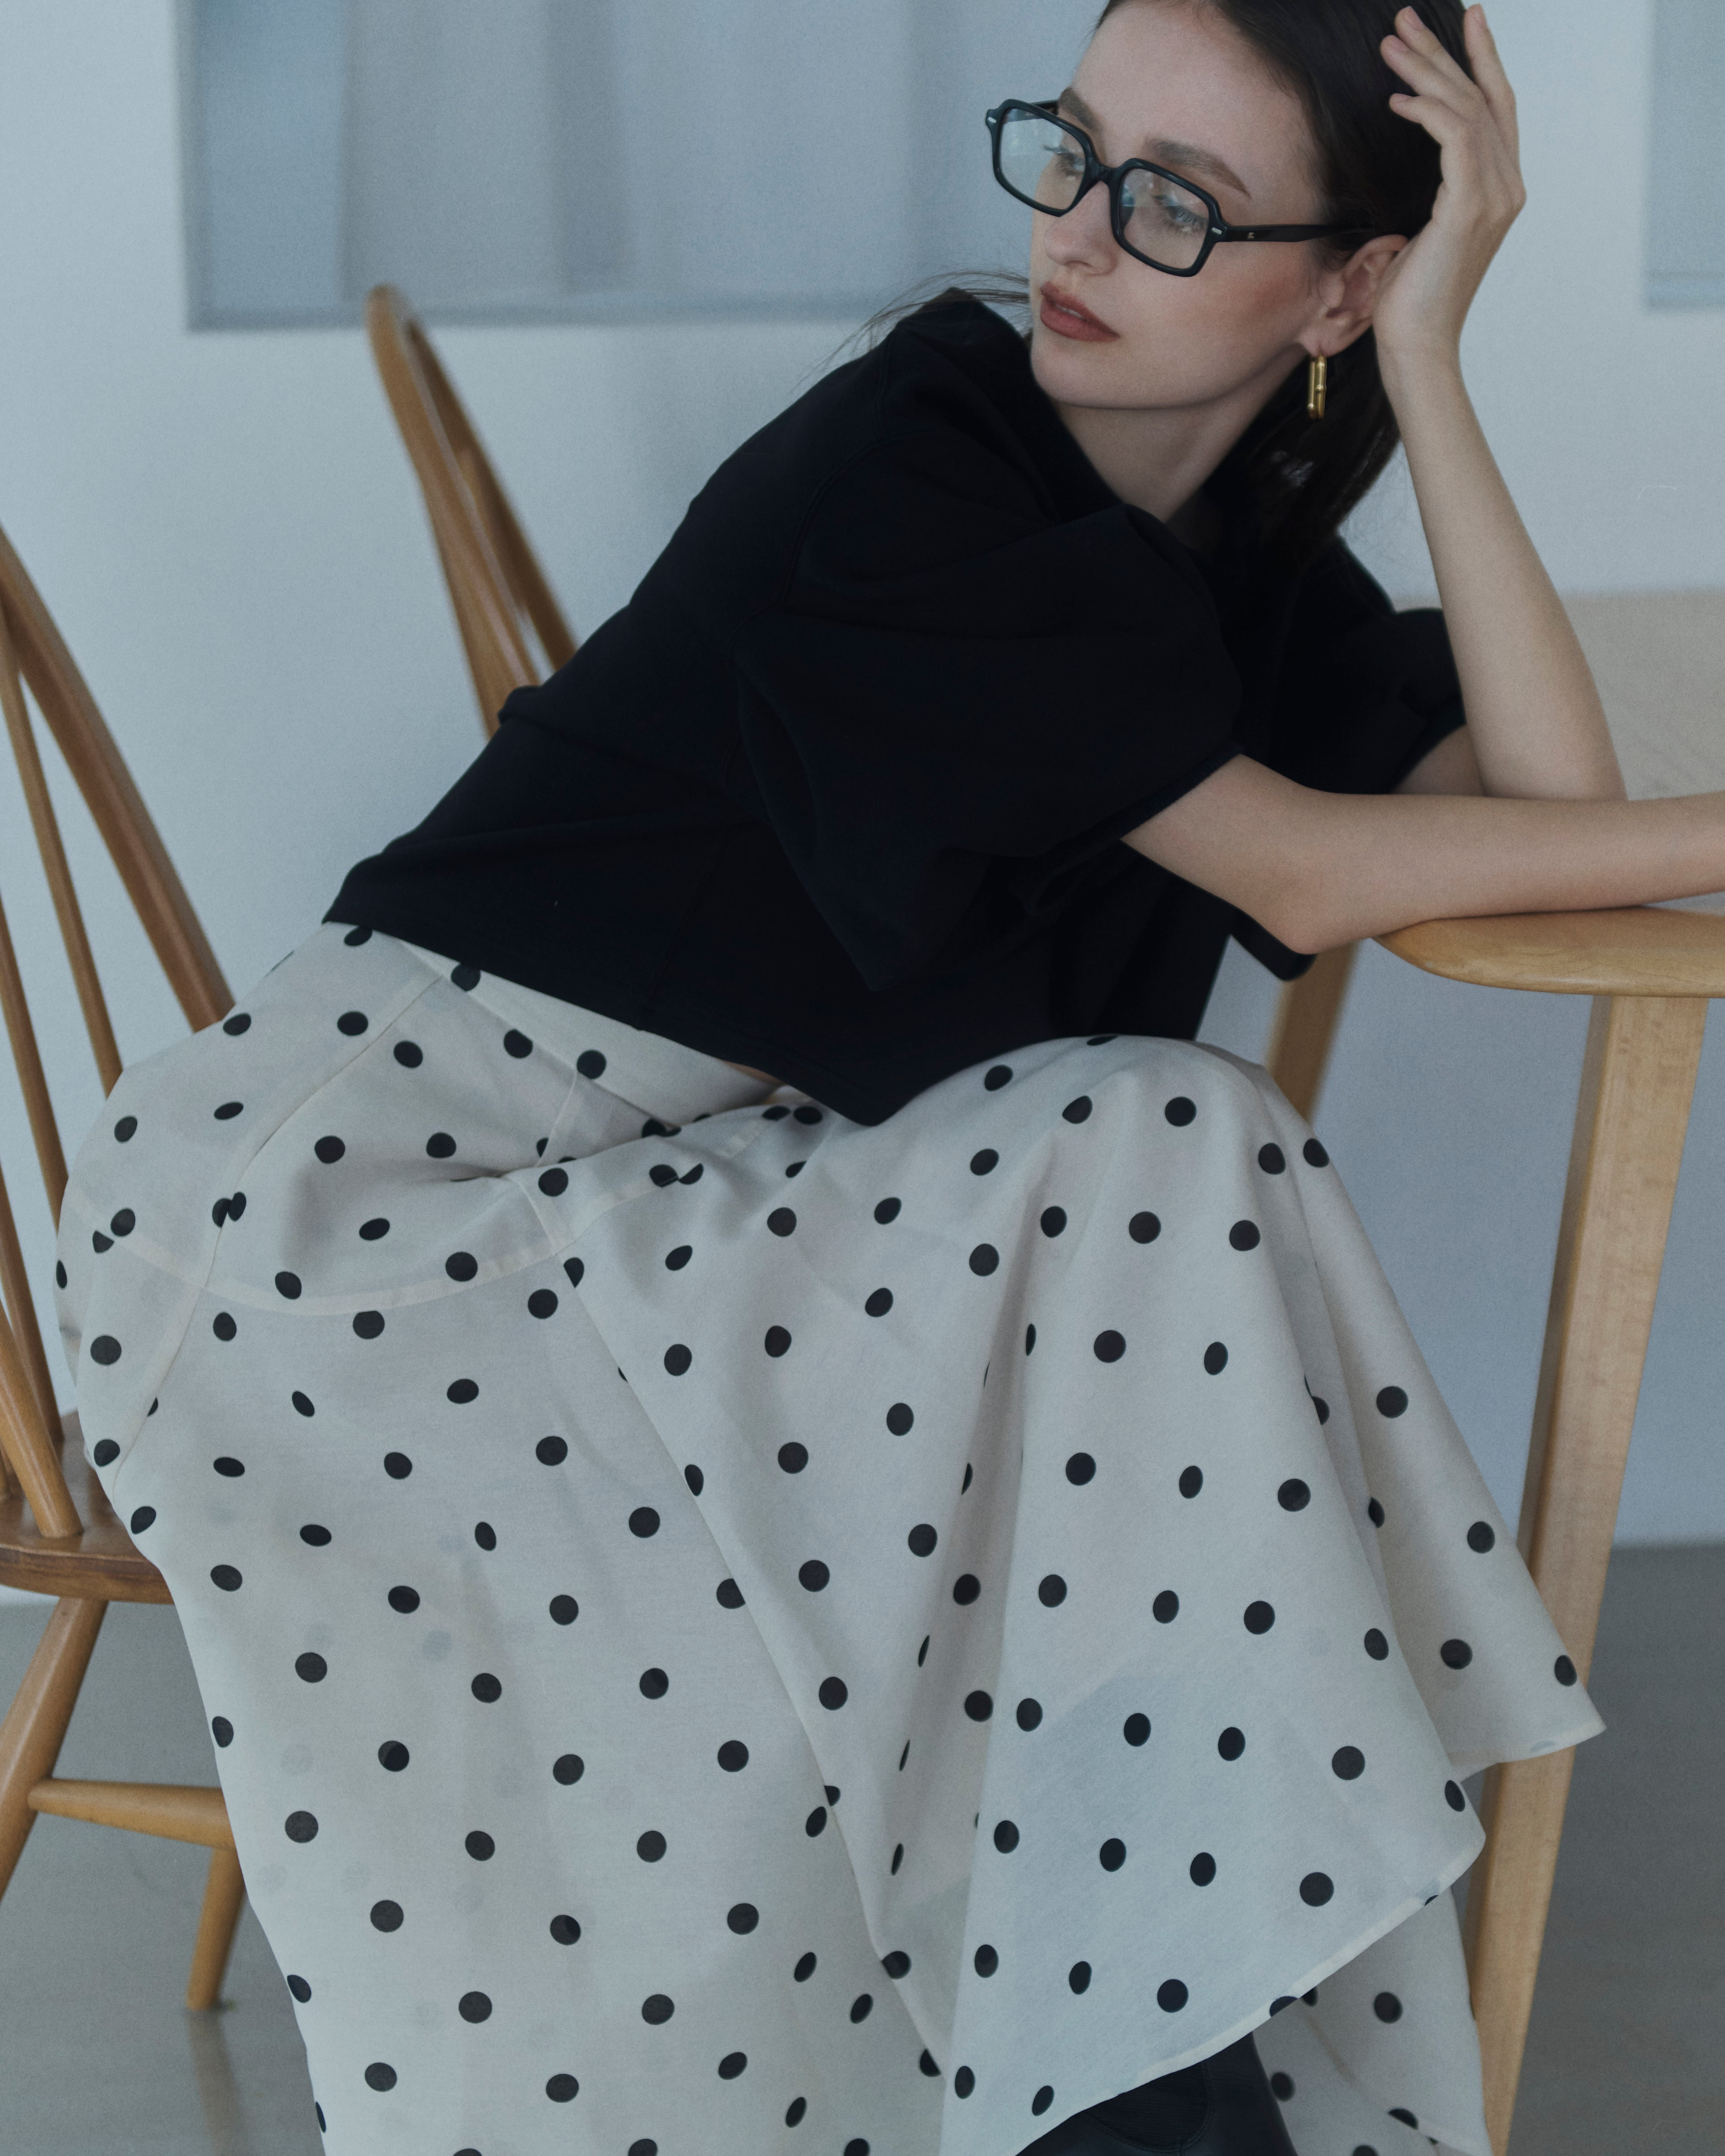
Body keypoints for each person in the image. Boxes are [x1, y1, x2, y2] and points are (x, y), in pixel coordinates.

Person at [56, 3, 1725, 2153]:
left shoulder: (1238, 583)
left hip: (647, 1205)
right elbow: (1312, 875)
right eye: (1074, 151)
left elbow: (1553, 815)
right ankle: (1142, 2079)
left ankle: (1129, 2058)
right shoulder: (913, 464)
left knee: (1137, 1171)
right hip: (349, 1228)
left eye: (1177, 204)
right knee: (1152, 1158)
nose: (1078, 233)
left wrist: (1433, 361)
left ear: (1339, 285)